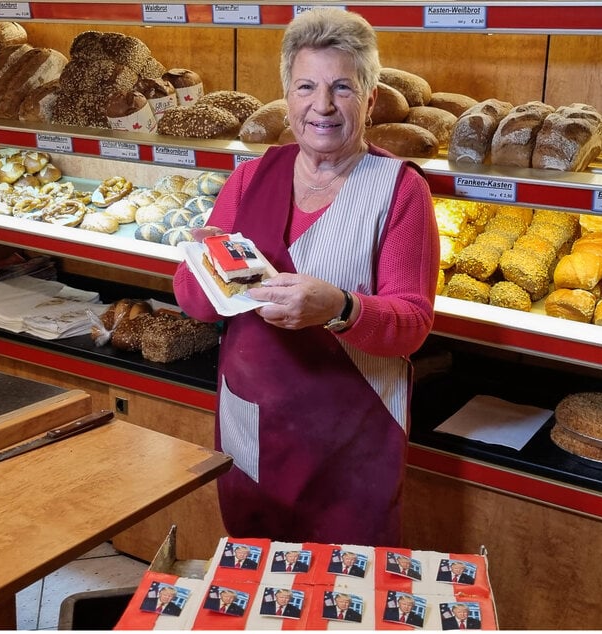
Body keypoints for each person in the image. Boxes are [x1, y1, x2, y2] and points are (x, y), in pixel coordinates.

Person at [172, 7, 438, 547]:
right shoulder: (250, 177)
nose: (322, 106)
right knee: (256, 575)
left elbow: (412, 322)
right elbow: (194, 303)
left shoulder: (400, 190)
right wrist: (201, 271)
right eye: (306, 87)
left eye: (342, 87)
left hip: (352, 432)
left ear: (368, 97)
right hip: (252, 422)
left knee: (343, 589)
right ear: (287, 96)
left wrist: (342, 309)